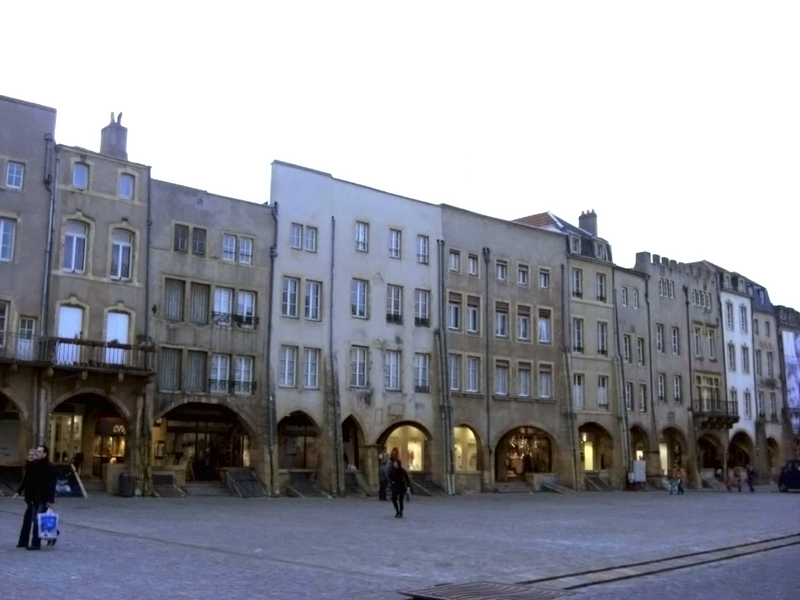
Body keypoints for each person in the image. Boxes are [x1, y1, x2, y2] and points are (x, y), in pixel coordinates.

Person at [14, 445, 56, 550]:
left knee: (37, 520)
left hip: (43, 497)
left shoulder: (49, 467)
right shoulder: (33, 465)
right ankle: (23, 542)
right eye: (36, 451)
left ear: (45, 454)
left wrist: (50, 500)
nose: (37, 453)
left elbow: (52, 484)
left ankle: (35, 544)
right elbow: (27, 480)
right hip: (32, 497)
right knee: (30, 519)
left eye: (39, 451)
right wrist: (19, 491)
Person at [387, 454, 411, 519]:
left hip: (401, 486)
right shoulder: (392, 470)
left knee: (401, 499)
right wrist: (391, 483)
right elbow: (389, 477)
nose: (395, 464)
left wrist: (408, 486)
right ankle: (397, 511)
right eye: (394, 463)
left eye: (396, 463)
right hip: (395, 486)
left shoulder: (402, 470)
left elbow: (407, 478)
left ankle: (400, 512)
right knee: (393, 499)